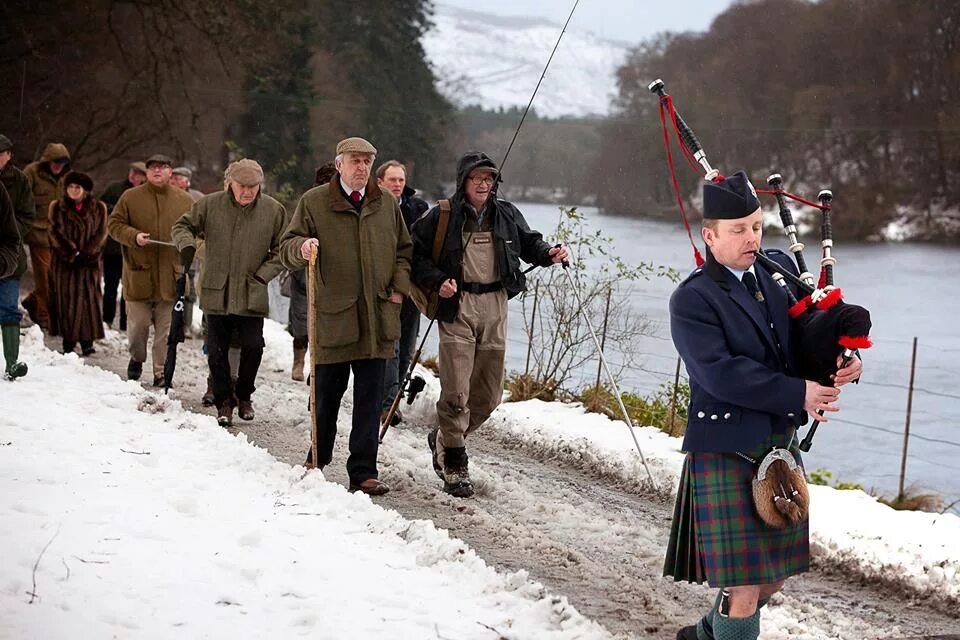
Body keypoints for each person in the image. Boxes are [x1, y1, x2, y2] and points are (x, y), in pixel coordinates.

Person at [663, 171, 862, 640]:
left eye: (755, 226)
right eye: (738, 230)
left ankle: (708, 633)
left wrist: (841, 357)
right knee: (746, 587)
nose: (751, 237)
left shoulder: (775, 273)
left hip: (778, 441)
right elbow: (720, 373)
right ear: (709, 235)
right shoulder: (693, 299)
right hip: (726, 444)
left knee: (770, 575)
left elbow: (808, 338)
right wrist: (799, 393)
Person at [410, 151, 567, 498]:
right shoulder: (442, 216)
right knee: (455, 392)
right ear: (463, 181)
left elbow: (530, 244)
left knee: (489, 395)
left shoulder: (507, 214)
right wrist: (438, 281)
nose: (483, 184)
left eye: (489, 178)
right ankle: (454, 464)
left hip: (496, 305)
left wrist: (549, 253)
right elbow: (412, 253)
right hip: (457, 307)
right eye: (477, 178)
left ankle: (443, 438)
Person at [279, 137, 412, 496]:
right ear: (339, 164)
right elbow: (286, 246)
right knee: (325, 396)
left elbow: (404, 251)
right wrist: (302, 247)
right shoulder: (314, 202)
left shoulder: (385, 203)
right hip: (333, 318)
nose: (362, 167)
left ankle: (364, 472)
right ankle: (317, 459)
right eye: (355, 160)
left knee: (369, 401)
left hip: (377, 317)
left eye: (368, 161)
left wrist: (399, 288)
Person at [172, 159, 286, 425]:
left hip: (252, 290)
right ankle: (224, 402)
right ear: (230, 184)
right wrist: (187, 245)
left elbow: (283, 249)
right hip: (216, 291)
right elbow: (182, 226)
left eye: (253, 187)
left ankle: (244, 394)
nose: (247, 191)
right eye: (242, 186)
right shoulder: (210, 205)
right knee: (216, 351)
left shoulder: (273, 210)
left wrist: (263, 274)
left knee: (253, 347)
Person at [107, 154, 193, 386]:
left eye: (162, 167)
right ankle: (136, 358)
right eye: (153, 168)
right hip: (139, 274)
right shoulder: (130, 197)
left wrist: (187, 244)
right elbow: (113, 225)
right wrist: (133, 236)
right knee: (138, 328)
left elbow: (197, 230)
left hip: (170, 275)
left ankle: (161, 373)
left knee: (165, 331)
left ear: (170, 172)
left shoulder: (185, 201)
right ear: (146, 173)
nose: (157, 171)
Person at [375, 160, 429, 426]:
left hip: (413, 289)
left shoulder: (418, 209)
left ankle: (393, 399)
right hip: (385, 289)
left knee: (406, 348)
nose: (397, 184)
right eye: (392, 180)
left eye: (401, 180)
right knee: (391, 347)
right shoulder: (374, 207)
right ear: (380, 182)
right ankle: (387, 405)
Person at [47, 172, 108, 355]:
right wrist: (71, 252)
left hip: (89, 263)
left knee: (89, 301)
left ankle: (87, 341)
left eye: (77, 187)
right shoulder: (57, 207)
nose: (73, 191)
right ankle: (68, 340)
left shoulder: (99, 208)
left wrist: (88, 252)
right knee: (66, 300)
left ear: (86, 191)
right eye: (70, 187)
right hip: (64, 262)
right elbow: (53, 231)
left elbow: (102, 232)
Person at [287, 161, 337, 382]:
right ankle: (298, 361)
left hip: (330, 275)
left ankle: (318, 367)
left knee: (325, 324)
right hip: (303, 272)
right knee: (301, 321)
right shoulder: (308, 204)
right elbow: (292, 236)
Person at [22, 142, 71, 330]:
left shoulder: (65, 178)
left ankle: (34, 300)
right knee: (45, 275)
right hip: (37, 232)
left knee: (57, 275)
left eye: (62, 163)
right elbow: (21, 198)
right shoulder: (32, 173)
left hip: (58, 234)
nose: (59, 166)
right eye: (56, 162)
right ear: (48, 161)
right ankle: (43, 314)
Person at [0, 135, 35, 379]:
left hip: (9, 254)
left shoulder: (20, 181)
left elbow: (27, 216)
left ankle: (11, 362)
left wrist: (10, 231)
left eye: (1, 153)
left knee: (8, 307)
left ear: (9, 155)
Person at [99, 161, 147, 329]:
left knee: (129, 289)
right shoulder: (114, 188)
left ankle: (126, 323)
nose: (133, 175)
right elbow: (100, 206)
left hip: (133, 249)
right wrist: (118, 212)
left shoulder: (145, 193)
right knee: (110, 286)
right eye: (132, 171)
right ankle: (107, 319)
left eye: (137, 173)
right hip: (112, 247)